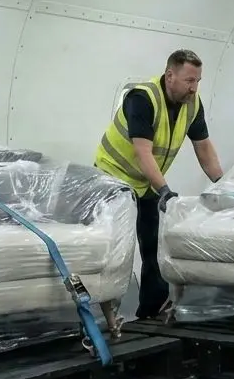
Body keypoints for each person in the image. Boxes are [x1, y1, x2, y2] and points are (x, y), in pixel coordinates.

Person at [94, 49, 225, 320]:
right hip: (112, 182)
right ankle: (104, 316)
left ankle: (150, 312)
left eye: (198, 81)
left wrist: (224, 183)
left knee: (155, 245)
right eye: (189, 80)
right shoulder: (142, 98)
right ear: (169, 76)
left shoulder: (192, 104)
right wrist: (164, 189)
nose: (194, 87)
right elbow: (143, 151)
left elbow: (203, 148)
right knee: (115, 251)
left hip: (145, 183)